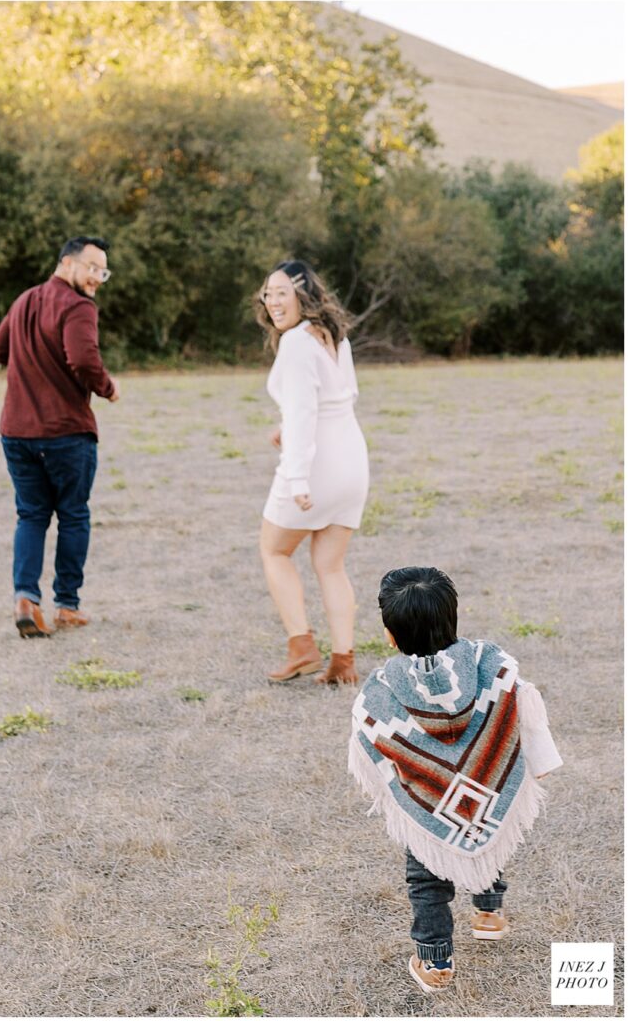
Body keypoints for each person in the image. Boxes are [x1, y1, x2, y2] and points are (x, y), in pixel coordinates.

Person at [348, 566, 563, 993]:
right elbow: (524, 705)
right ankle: (489, 914)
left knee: (427, 876)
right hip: (486, 785)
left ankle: (435, 962)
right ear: (454, 618)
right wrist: (539, 761)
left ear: (390, 634)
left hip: (429, 800)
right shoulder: (489, 664)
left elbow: (369, 739)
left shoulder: (382, 688)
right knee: (489, 822)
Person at [0, 235, 120, 638]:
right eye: (92, 267)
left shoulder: (24, 300)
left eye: (104, 271)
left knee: (31, 515)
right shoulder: (79, 307)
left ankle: (26, 599)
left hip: (16, 430)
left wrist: (32, 367)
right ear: (67, 263)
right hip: (64, 432)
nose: (98, 277)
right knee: (73, 514)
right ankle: (67, 605)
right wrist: (107, 387)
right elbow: (82, 358)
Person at [254, 259, 369, 685]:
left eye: (282, 292)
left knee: (273, 550)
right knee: (330, 564)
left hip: (316, 464)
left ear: (305, 294)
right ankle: (343, 662)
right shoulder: (335, 338)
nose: (272, 301)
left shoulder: (297, 344)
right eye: (268, 293)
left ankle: (301, 646)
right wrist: (287, 428)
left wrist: (298, 478)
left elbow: (305, 412)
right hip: (352, 462)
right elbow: (337, 399)